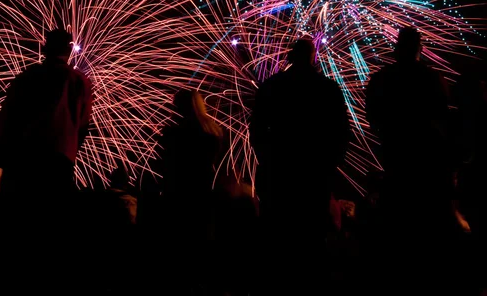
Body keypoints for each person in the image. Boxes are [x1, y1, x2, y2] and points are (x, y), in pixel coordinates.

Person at [0, 28, 93, 294]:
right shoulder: (80, 81)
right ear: (68, 51)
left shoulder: (28, 77)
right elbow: (83, 123)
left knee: (17, 227)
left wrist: (3, 153)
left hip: (24, 158)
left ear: (45, 49)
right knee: (51, 228)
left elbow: (8, 116)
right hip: (60, 159)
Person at [249, 37, 350, 293]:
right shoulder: (327, 88)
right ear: (314, 58)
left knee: (279, 235)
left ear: (290, 58)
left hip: (279, 172)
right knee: (313, 237)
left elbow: (257, 130)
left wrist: (268, 159)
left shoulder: (272, 87)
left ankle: (277, 286)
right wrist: (330, 165)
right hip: (315, 173)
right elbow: (341, 133)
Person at [364, 26, 456, 292]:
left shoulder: (382, 78)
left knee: (396, 223)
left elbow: (372, 117)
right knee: (424, 227)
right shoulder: (431, 78)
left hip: (394, 156)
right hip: (425, 163)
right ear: (419, 47)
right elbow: (443, 118)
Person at [157, 88, 224, 295]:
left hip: (180, 194)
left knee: (180, 247)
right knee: (202, 243)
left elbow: (165, 167)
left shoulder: (173, 133)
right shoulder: (214, 132)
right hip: (206, 194)